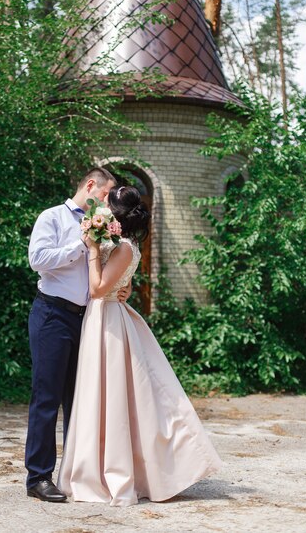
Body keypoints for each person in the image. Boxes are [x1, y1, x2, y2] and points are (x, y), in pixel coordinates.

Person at [58, 185, 222, 506]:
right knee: (102, 395)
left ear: (115, 215)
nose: (101, 207)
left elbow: (97, 288)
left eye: (107, 204)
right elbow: (124, 281)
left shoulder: (123, 248)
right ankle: (100, 466)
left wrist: (92, 249)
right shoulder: (124, 245)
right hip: (104, 316)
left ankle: (116, 472)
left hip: (107, 319)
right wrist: (124, 284)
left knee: (114, 396)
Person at [25, 167, 131, 503]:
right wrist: (80, 244)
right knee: (47, 398)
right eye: (105, 194)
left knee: (81, 401)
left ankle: (75, 474)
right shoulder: (53, 217)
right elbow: (37, 260)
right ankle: (38, 478)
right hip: (53, 315)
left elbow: (106, 272)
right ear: (91, 186)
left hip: (89, 320)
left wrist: (121, 287)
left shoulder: (106, 228)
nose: (107, 203)